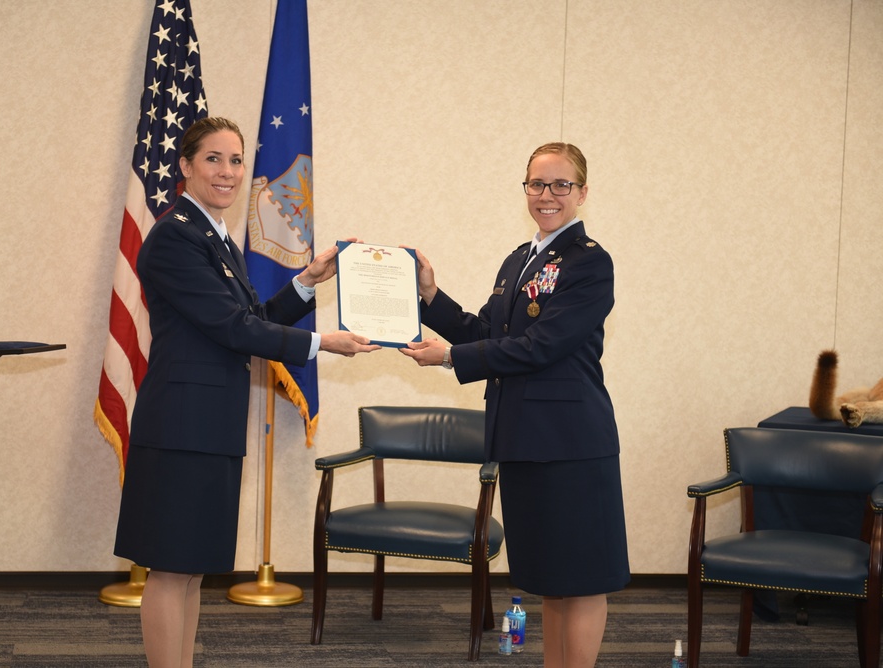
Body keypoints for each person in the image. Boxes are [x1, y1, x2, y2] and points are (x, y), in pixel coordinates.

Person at [113, 116, 379, 668]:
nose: (228, 172)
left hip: (209, 423)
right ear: (185, 167)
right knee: (169, 566)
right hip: (181, 426)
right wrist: (320, 343)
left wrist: (307, 279)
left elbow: (250, 317)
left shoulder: (213, 234)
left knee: (189, 566)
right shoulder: (174, 236)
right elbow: (233, 329)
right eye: (214, 159)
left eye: (236, 160)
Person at [400, 142, 629, 668]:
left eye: (560, 185)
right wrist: (431, 297)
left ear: (582, 192)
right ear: (525, 188)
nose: (546, 195)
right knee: (549, 577)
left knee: (585, 579)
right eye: (536, 184)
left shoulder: (590, 264)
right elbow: (487, 331)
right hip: (523, 439)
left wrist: (450, 358)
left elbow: (541, 346)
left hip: (572, 443)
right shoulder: (519, 259)